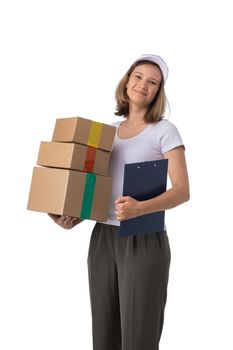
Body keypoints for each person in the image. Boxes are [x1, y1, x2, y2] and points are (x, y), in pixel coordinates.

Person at [49, 54, 190, 350]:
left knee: (138, 335)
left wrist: (139, 208)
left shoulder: (164, 130)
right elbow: (99, 190)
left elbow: (181, 191)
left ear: (158, 92)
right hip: (103, 236)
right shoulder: (105, 132)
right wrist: (75, 215)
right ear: (127, 81)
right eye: (138, 77)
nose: (143, 85)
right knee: (104, 334)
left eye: (152, 82)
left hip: (143, 237)